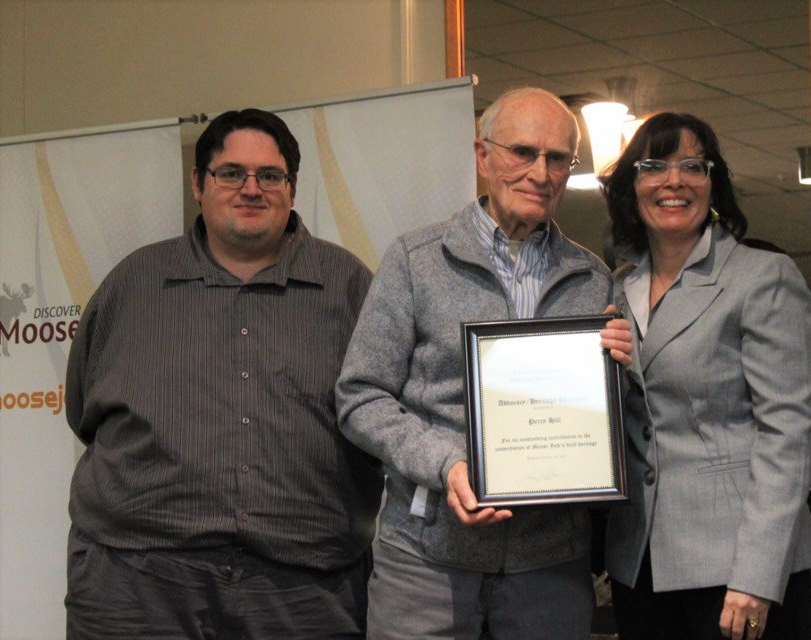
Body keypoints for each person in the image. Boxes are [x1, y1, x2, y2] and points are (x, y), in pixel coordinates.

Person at [64, 108, 383, 639]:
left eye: (270, 176)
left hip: (305, 587)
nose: (251, 189)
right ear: (198, 183)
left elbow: (382, 416)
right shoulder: (135, 282)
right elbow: (83, 407)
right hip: (136, 580)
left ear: (293, 188)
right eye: (231, 173)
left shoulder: (348, 285)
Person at [334, 87, 634, 639]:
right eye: (523, 152)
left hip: (549, 568)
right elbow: (360, 397)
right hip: (426, 558)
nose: (540, 173)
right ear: (483, 156)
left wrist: (622, 369)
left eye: (558, 159)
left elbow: (611, 420)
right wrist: (446, 464)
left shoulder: (593, 279)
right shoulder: (414, 261)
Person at [599, 111, 811, 640]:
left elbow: (786, 437)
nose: (673, 182)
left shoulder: (761, 278)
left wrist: (756, 578)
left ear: (713, 183)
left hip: (736, 568)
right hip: (639, 563)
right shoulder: (614, 289)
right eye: (654, 166)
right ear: (633, 186)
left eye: (693, 167)